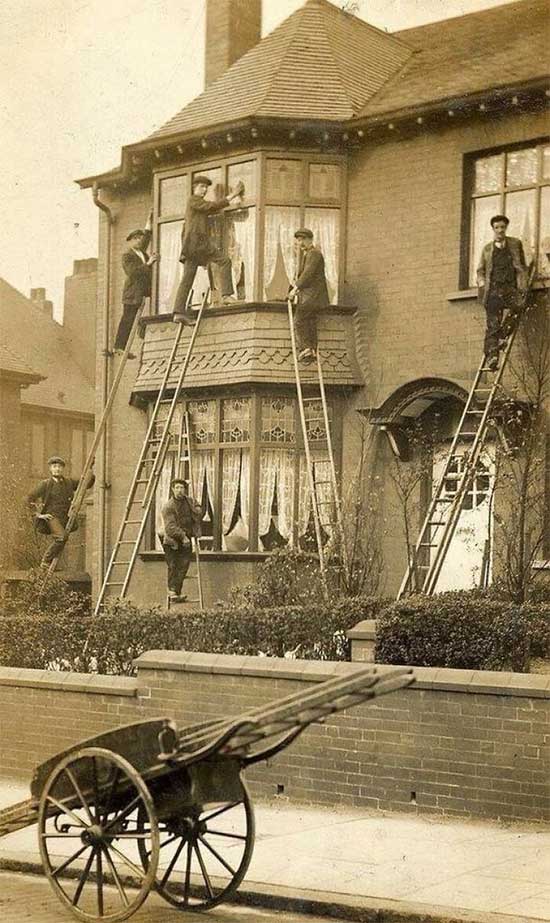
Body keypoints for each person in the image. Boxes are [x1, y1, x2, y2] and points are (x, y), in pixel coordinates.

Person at [172, 175, 244, 324]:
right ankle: (226, 296)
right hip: (198, 244)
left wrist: (185, 250)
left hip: (193, 246)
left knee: (187, 279)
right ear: (194, 188)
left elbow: (186, 228)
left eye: (206, 187)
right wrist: (233, 195)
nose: (204, 190)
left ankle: (178, 312)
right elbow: (211, 206)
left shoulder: (195, 206)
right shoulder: (193, 200)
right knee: (224, 261)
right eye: (201, 187)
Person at [476, 214, 528, 371]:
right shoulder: (487, 249)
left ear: (506, 228)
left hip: (510, 288)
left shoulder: (515, 244)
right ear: (493, 229)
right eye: (497, 227)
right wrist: (483, 284)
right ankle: (492, 357)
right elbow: (480, 270)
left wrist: (522, 285)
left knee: (519, 306)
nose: (500, 230)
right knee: (492, 324)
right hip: (493, 291)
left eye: (502, 227)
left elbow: (522, 266)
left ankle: (502, 335)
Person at [27, 456, 95, 568]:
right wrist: (38, 515)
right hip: (52, 518)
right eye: (54, 466)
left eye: (59, 466)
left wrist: (91, 468)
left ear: (62, 469)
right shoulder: (45, 484)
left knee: (63, 539)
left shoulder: (68, 482)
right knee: (61, 537)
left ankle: (53, 564)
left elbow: (86, 484)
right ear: (50, 469)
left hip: (65, 517)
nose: (57, 469)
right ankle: (45, 560)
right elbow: (29, 498)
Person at [114, 227, 158, 354]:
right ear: (130, 241)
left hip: (143, 290)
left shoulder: (142, 253)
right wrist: (149, 264)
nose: (139, 241)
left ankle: (123, 345)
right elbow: (132, 272)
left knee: (131, 318)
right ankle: (119, 347)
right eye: (135, 238)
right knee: (127, 319)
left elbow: (147, 238)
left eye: (140, 238)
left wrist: (149, 225)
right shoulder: (127, 255)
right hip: (132, 293)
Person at [289, 228, 330, 362]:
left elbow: (308, 273)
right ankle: (312, 349)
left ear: (310, 240)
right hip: (313, 297)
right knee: (310, 321)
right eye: (298, 240)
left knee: (299, 319)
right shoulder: (309, 255)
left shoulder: (314, 254)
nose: (300, 243)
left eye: (302, 240)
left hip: (312, 297)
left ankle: (306, 348)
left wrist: (295, 288)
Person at [160, 478, 203, 602]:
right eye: (177, 487)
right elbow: (170, 527)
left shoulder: (189, 501)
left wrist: (198, 510)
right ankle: (172, 591)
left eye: (182, 488)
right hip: (172, 541)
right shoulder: (168, 507)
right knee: (173, 566)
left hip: (187, 539)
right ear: (173, 489)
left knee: (184, 565)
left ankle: (176, 593)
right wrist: (183, 537)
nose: (180, 490)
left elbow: (198, 506)